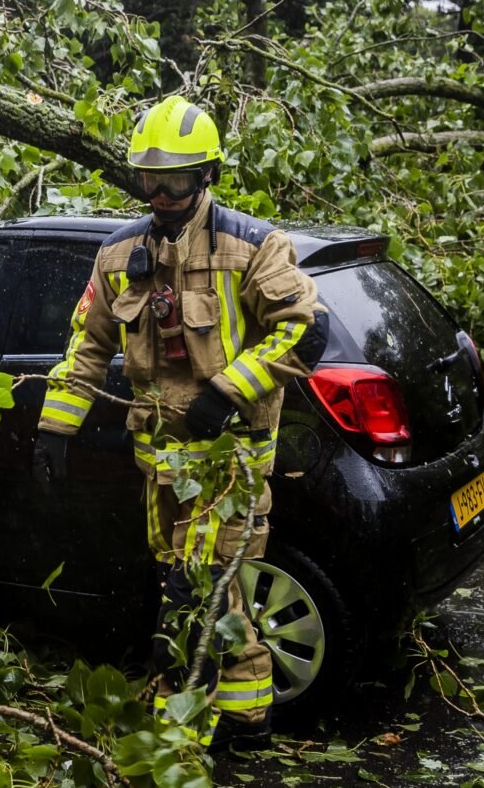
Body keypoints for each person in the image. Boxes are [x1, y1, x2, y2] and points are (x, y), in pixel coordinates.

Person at [33, 96, 328, 751]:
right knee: (217, 590)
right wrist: (57, 427)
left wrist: (227, 391)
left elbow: (308, 332)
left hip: (230, 464)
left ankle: (175, 729)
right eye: (149, 180)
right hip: (158, 464)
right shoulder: (118, 254)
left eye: (175, 181)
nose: (160, 195)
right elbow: (87, 346)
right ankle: (250, 720)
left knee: (190, 593)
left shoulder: (252, 247)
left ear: (207, 176)